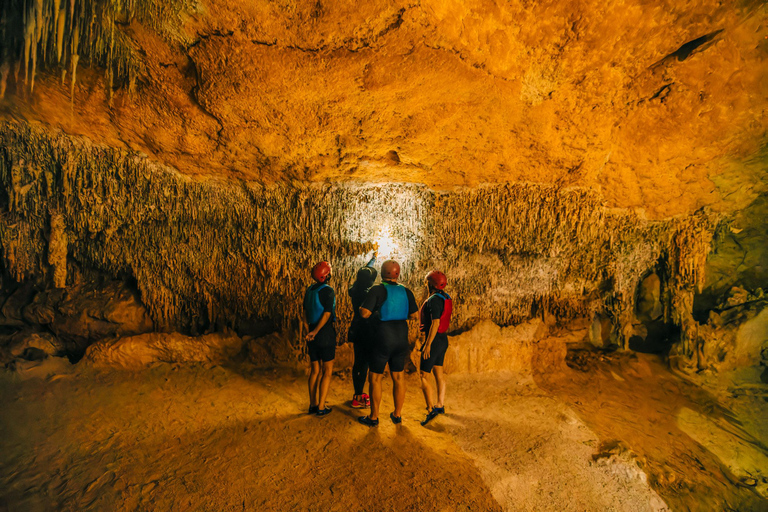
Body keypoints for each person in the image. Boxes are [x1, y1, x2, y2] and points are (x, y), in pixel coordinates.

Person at [357, 260, 418, 426]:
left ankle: (374, 417)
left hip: (383, 336)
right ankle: (397, 414)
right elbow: (414, 315)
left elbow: (364, 313)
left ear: (382, 272)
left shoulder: (377, 289)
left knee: (375, 377)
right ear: (398, 274)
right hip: (401, 337)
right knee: (398, 376)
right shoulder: (406, 291)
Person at [418, 271, 453, 426]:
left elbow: (435, 323)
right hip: (442, 339)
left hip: (434, 340)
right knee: (439, 372)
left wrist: (427, 345)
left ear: (430, 284)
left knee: (423, 376)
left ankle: (430, 409)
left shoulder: (433, 300)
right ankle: (440, 405)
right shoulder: (446, 297)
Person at [303, 261, 336, 416]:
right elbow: (327, 313)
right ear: (326, 275)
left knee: (315, 370)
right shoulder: (328, 291)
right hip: (324, 333)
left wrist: (309, 332)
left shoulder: (309, 290)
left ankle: (312, 404)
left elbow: (304, 313)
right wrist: (316, 331)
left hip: (311, 334)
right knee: (327, 370)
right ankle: (322, 407)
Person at [347, 253, 378, 408]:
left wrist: (372, 260)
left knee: (359, 362)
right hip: (366, 330)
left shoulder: (354, 288)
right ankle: (358, 396)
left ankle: (358, 393)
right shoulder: (367, 294)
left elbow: (363, 273)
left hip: (356, 328)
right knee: (362, 364)